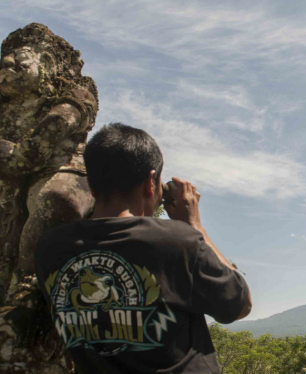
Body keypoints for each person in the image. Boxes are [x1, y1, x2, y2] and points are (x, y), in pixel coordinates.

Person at [34, 123, 252, 373]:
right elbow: (240, 305)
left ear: (92, 186)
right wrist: (194, 226)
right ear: (151, 182)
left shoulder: (50, 248)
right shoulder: (178, 241)